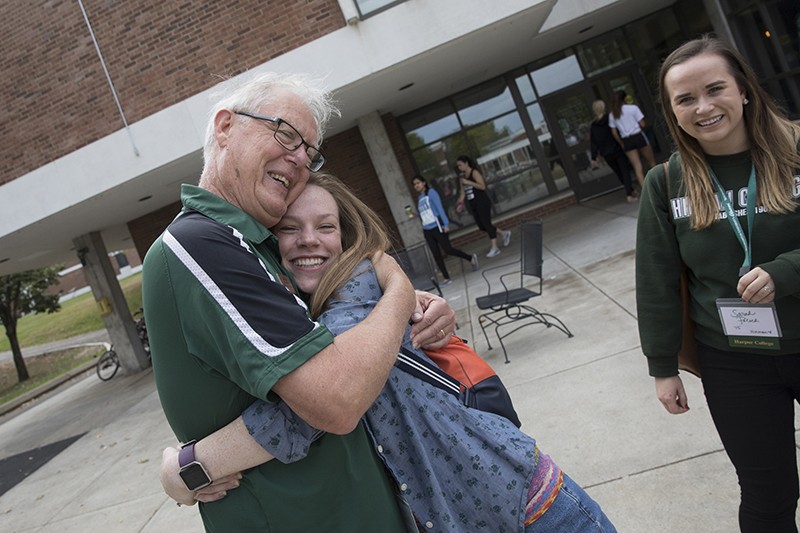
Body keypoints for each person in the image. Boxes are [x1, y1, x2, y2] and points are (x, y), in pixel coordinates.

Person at [160, 172, 617, 532]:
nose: (309, 239)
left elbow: (315, 408)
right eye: (288, 228)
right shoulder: (307, 315)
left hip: (529, 508)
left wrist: (190, 466)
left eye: (325, 226)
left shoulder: (359, 284)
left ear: (345, 237)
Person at [141, 72, 455, 532]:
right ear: (225, 127)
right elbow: (336, 397)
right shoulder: (203, 244)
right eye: (286, 134)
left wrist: (416, 308)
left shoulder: (259, 249)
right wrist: (400, 290)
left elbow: (346, 334)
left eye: (310, 151)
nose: (300, 158)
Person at [636, 35, 800, 532]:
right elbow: (656, 280)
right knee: (768, 498)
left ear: (743, 89)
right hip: (734, 361)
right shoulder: (666, 182)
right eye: (686, 99)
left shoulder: (796, 148)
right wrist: (662, 366)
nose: (703, 108)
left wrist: (786, 271)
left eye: (715, 89)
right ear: (672, 112)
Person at [412, 174, 479, 283]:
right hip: (427, 229)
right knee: (436, 254)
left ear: (424, 183)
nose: (416, 186)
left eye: (418, 183)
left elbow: (439, 208)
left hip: (437, 226)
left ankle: (470, 258)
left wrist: (446, 224)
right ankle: (446, 277)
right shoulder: (420, 198)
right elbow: (424, 214)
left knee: (448, 249)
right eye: (414, 184)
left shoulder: (431, 193)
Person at [455, 155, 511, 257]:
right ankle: (504, 233)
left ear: (466, 163)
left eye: (460, 165)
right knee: (482, 226)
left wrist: (469, 182)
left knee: (486, 223)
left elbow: (482, 186)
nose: (459, 167)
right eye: (458, 166)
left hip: (482, 201)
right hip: (472, 204)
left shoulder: (474, 172)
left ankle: (495, 248)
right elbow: (462, 192)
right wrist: (460, 204)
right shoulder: (462, 178)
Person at [590, 99, 637, 203]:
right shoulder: (610, 119)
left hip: (606, 153)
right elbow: (617, 131)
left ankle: (630, 190)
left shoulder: (594, 126)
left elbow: (593, 142)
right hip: (617, 149)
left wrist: (593, 157)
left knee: (619, 173)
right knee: (625, 171)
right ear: (603, 107)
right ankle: (629, 194)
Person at [609, 90, 656, 188]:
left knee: (637, 167)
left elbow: (614, 133)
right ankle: (659, 183)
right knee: (651, 161)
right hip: (638, 136)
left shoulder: (612, 114)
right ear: (625, 98)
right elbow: (642, 124)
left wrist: (621, 142)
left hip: (627, 140)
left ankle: (645, 190)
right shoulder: (633, 108)